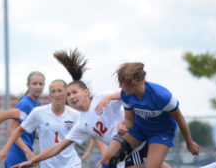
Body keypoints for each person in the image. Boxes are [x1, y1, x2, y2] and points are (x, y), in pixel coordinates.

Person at [11, 48, 170, 168]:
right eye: (68, 95)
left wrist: (114, 105)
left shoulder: (102, 98)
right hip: (117, 152)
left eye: (74, 92)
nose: (71, 97)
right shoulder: (81, 124)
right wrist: (32, 160)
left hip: (135, 142)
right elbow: (57, 148)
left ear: (86, 92)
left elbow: (127, 95)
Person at [96, 62, 200, 168]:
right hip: (139, 128)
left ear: (135, 81)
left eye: (122, 83)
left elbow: (180, 119)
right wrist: (122, 125)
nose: (119, 86)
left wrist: (189, 143)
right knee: (108, 159)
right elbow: (129, 121)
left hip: (161, 132)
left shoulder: (161, 96)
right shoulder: (125, 95)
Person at [0, 79, 81, 168]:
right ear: (49, 95)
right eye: (53, 91)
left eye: (60, 91)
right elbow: (17, 130)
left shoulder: (76, 115)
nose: (57, 94)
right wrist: (5, 149)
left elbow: (92, 132)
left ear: (67, 93)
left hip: (71, 164)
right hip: (47, 164)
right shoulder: (38, 112)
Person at [5, 71, 45, 168]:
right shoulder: (24, 104)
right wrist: (28, 152)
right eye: (34, 84)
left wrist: (48, 135)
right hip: (17, 155)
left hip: (27, 154)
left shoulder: (37, 103)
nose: (38, 87)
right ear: (28, 85)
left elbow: (29, 129)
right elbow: (12, 131)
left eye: (41, 84)